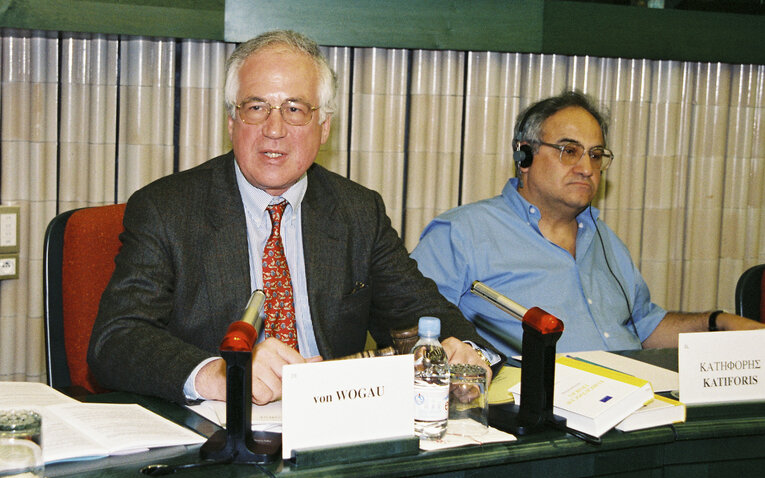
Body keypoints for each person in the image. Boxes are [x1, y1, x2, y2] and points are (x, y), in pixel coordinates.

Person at [88, 30, 499, 405]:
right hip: (220, 431)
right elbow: (116, 341)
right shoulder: (167, 209)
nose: (274, 128)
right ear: (232, 121)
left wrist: (466, 350)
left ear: (324, 127)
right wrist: (218, 375)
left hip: (337, 426)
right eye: (256, 107)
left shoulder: (359, 211)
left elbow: (422, 311)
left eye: (295, 109)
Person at [411, 90, 764, 357]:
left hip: (634, 404)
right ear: (525, 155)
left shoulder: (605, 240)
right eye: (569, 150)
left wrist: (718, 321)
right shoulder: (462, 233)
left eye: (596, 155)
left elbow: (644, 326)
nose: (586, 167)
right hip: (537, 415)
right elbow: (415, 327)